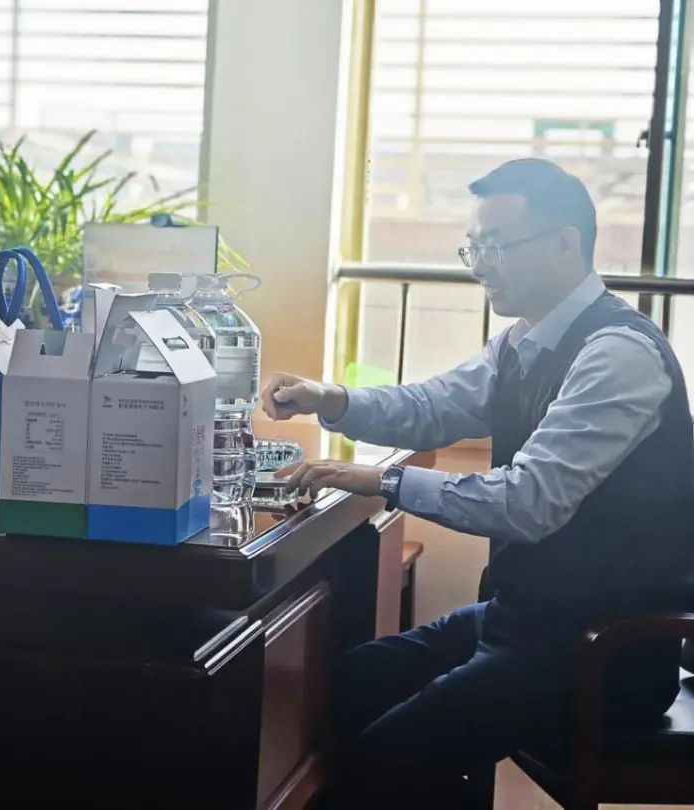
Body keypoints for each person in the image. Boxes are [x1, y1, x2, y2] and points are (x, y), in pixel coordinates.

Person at [261, 158, 693, 807]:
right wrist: (332, 399)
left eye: (496, 245)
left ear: (565, 244)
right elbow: (432, 406)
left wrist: (383, 481)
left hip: (604, 650)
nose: (480, 264)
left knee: (386, 759)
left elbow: (527, 503)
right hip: (527, 620)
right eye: (474, 246)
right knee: (351, 679)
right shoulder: (524, 344)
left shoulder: (618, 354)